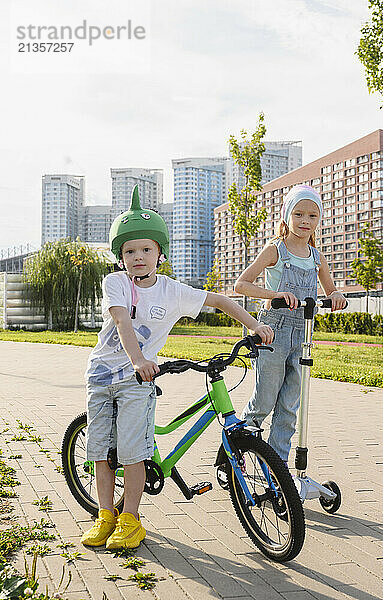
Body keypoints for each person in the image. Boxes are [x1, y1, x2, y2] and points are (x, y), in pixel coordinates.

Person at [80, 185, 274, 550]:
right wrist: (139, 359)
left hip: (138, 380)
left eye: (146, 249)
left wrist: (254, 325)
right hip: (104, 375)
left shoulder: (173, 291)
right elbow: (122, 321)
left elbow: (218, 299)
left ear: (160, 253)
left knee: (133, 451)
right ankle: (105, 514)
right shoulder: (116, 282)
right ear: (121, 257)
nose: (138, 256)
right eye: (130, 251)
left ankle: (130, 519)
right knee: (101, 452)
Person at [235, 184, 346, 463]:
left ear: (319, 220)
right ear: (286, 216)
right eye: (298, 214)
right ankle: (234, 458)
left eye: (312, 216)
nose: (305, 221)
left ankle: (276, 470)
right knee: (264, 401)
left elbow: (330, 291)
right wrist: (274, 295)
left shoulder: (317, 258)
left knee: (288, 407)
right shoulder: (275, 250)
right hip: (274, 330)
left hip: (304, 334)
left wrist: (337, 296)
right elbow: (242, 285)